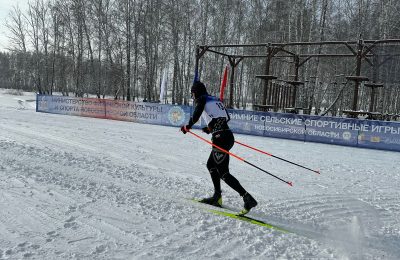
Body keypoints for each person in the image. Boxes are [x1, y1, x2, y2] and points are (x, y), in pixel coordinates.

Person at [180, 80, 257, 214]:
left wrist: (188, 126)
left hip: (220, 138)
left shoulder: (201, 99)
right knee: (211, 165)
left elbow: (196, 115)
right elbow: (226, 117)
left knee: (223, 173)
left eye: (193, 94)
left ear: (196, 92)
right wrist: (210, 129)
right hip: (226, 136)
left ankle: (247, 197)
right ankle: (217, 196)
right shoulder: (214, 99)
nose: (193, 97)